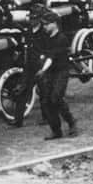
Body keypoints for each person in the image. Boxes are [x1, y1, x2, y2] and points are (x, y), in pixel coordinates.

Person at [36, 11, 78, 140]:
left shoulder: (61, 38)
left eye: (46, 24)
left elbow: (51, 57)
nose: (44, 27)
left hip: (61, 71)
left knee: (56, 98)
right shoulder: (46, 38)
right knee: (47, 101)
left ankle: (71, 122)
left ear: (54, 24)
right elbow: (44, 55)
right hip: (51, 72)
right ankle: (56, 130)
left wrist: (43, 70)